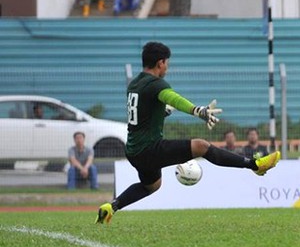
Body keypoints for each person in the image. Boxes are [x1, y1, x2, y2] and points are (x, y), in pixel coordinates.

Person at [95, 42, 281, 224]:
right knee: (201, 146)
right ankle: (255, 165)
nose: (167, 68)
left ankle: (111, 207)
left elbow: (144, 114)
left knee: (151, 186)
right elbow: (173, 98)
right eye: (166, 63)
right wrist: (196, 110)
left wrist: (162, 112)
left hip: (134, 151)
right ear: (160, 63)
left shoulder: (135, 84)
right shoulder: (156, 84)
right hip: (149, 149)